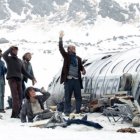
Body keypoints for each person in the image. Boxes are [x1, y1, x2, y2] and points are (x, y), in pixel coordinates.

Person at [2, 46, 36, 118]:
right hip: (12, 79)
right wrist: (10, 48)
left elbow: (24, 72)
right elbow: (4, 54)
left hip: (19, 80)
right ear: (11, 51)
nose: (15, 51)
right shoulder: (8, 59)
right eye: (14, 50)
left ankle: (19, 112)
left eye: (16, 50)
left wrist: (32, 78)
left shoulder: (19, 61)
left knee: (20, 97)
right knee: (15, 97)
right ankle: (15, 114)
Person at [58, 31, 86, 116]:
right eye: (72, 48)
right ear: (69, 49)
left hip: (76, 80)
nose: (74, 49)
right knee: (68, 97)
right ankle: (67, 112)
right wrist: (60, 38)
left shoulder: (78, 58)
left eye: (74, 48)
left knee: (78, 97)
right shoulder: (66, 56)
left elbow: (80, 67)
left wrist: (83, 70)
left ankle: (78, 111)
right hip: (69, 80)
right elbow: (61, 48)